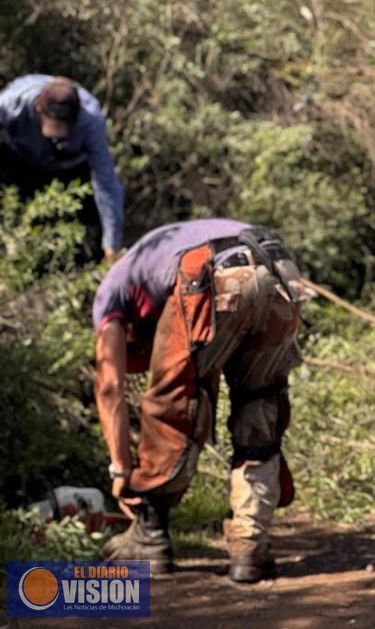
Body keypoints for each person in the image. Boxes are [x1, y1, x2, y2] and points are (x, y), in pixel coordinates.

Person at [93, 219, 308, 582]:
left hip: (212, 273)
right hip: (281, 268)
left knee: (171, 404)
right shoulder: (153, 259)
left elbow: (109, 386)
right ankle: (250, 546)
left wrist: (121, 468)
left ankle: (150, 535)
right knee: (260, 404)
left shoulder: (110, 290)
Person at [0, 74, 124, 262]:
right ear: (38, 109)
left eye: (62, 128)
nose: (55, 135)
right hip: (20, 157)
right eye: (53, 126)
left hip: (66, 166)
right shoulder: (11, 104)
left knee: (92, 219)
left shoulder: (91, 120)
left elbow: (106, 183)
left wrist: (112, 244)